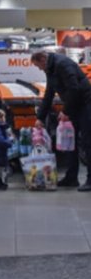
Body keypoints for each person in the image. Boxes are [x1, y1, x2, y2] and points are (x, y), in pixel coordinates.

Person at [32, 50, 91, 190]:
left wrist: (65, 111)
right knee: (70, 142)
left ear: (43, 59)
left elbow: (74, 89)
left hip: (86, 104)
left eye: (38, 65)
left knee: (87, 142)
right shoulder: (50, 69)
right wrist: (40, 118)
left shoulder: (63, 64)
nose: (39, 69)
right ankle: (71, 178)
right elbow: (49, 94)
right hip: (73, 106)